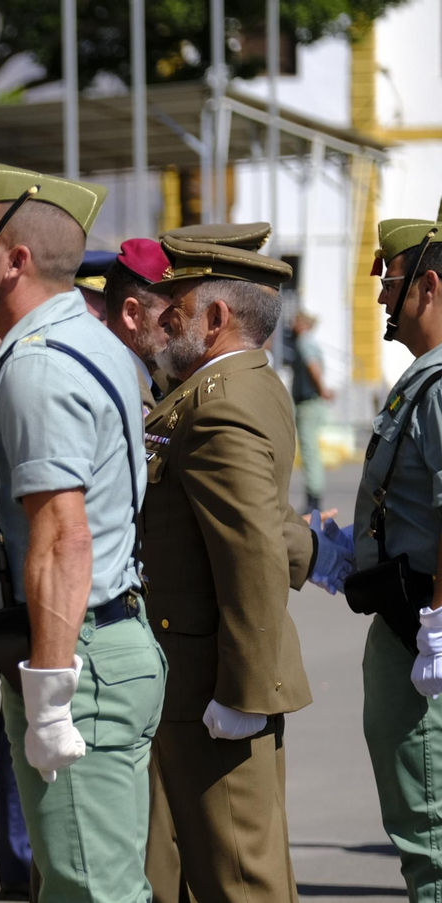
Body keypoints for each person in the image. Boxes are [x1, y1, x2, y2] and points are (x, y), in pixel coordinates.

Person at [0, 160, 162, 901]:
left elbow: (63, 537)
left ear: (16, 260)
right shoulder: (86, 340)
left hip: (79, 655)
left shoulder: (39, 367)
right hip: (95, 644)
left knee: (90, 889)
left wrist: (49, 695)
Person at [139, 223, 342, 903]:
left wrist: (241, 693)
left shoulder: (220, 404)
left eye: (173, 306)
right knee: (206, 868)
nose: (159, 320)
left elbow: (251, 551)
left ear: (217, 316)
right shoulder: (230, 387)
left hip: (214, 687)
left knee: (239, 880)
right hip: (198, 679)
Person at [348, 217, 442, 902]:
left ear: (429, 284)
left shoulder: (439, 386)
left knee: (432, 838)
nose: (381, 293)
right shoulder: (422, 380)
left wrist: (439, 622)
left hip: (423, 635)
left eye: (391, 276)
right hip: (404, 620)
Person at [100, 239, 173, 416]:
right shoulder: (114, 387)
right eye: (170, 311)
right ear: (131, 313)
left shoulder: (143, 382)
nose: (180, 322)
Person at [288, 311, 334, 512]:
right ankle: (313, 497)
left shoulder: (304, 342)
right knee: (310, 451)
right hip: (309, 401)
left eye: (295, 320)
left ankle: (313, 500)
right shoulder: (308, 341)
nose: (292, 324)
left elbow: (313, 366)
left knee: (309, 451)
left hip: (308, 402)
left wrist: (322, 389)